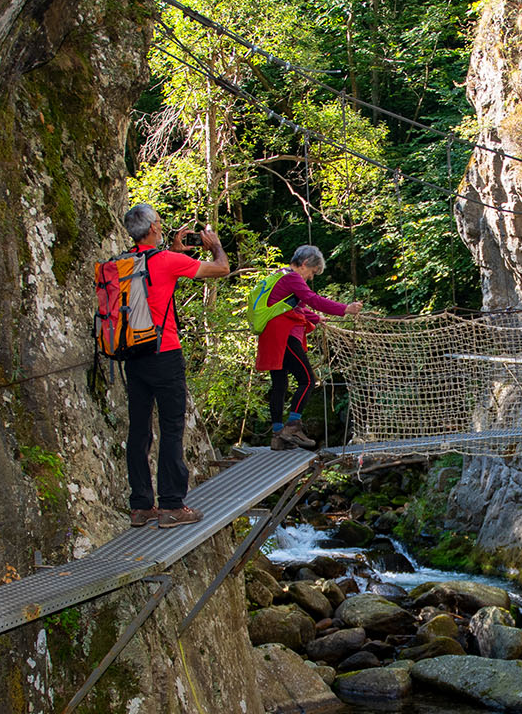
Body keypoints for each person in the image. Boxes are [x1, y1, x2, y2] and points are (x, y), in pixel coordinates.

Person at [117, 203, 230, 529]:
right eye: (159, 221)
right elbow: (221, 269)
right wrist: (214, 245)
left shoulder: (124, 263)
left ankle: (140, 506)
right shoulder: (166, 261)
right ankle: (171, 505)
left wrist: (175, 251)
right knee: (171, 428)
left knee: (139, 429)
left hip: (133, 355)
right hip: (164, 354)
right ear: (154, 227)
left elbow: (153, 290)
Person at [254, 245, 362, 450]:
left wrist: (316, 318)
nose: (311, 278)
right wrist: (345, 309)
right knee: (308, 380)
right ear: (304, 264)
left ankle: (278, 435)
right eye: (312, 272)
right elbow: (312, 299)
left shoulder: (279, 275)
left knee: (279, 384)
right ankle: (293, 426)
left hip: (271, 335)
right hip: (284, 335)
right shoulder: (292, 277)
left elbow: (294, 306)